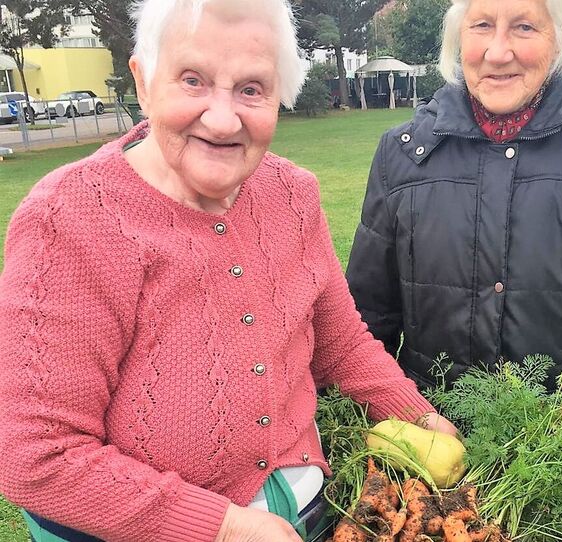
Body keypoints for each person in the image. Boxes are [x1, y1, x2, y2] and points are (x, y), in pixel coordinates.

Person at [0, 1, 456, 541]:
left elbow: (340, 340)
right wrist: (220, 527)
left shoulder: (293, 194)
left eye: (252, 89)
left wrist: (418, 416)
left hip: (308, 514)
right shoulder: (71, 216)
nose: (222, 118)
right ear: (143, 82)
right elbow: (35, 455)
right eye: (193, 80)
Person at [346, 0, 562, 540]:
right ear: (459, 39)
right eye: (482, 25)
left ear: (559, 40)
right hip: (424, 480)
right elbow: (361, 324)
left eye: (524, 26)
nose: (498, 50)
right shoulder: (402, 156)